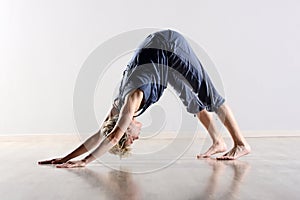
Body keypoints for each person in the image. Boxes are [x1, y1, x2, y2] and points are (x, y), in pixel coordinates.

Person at [38, 29, 251, 168]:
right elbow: (100, 134)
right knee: (190, 100)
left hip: (168, 47)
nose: (136, 139)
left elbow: (111, 137)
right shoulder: (117, 108)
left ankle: (240, 144)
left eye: (130, 139)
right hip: (159, 61)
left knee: (209, 95)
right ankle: (219, 141)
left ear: (125, 128)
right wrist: (66, 158)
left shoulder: (132, 100)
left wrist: (85, 162)